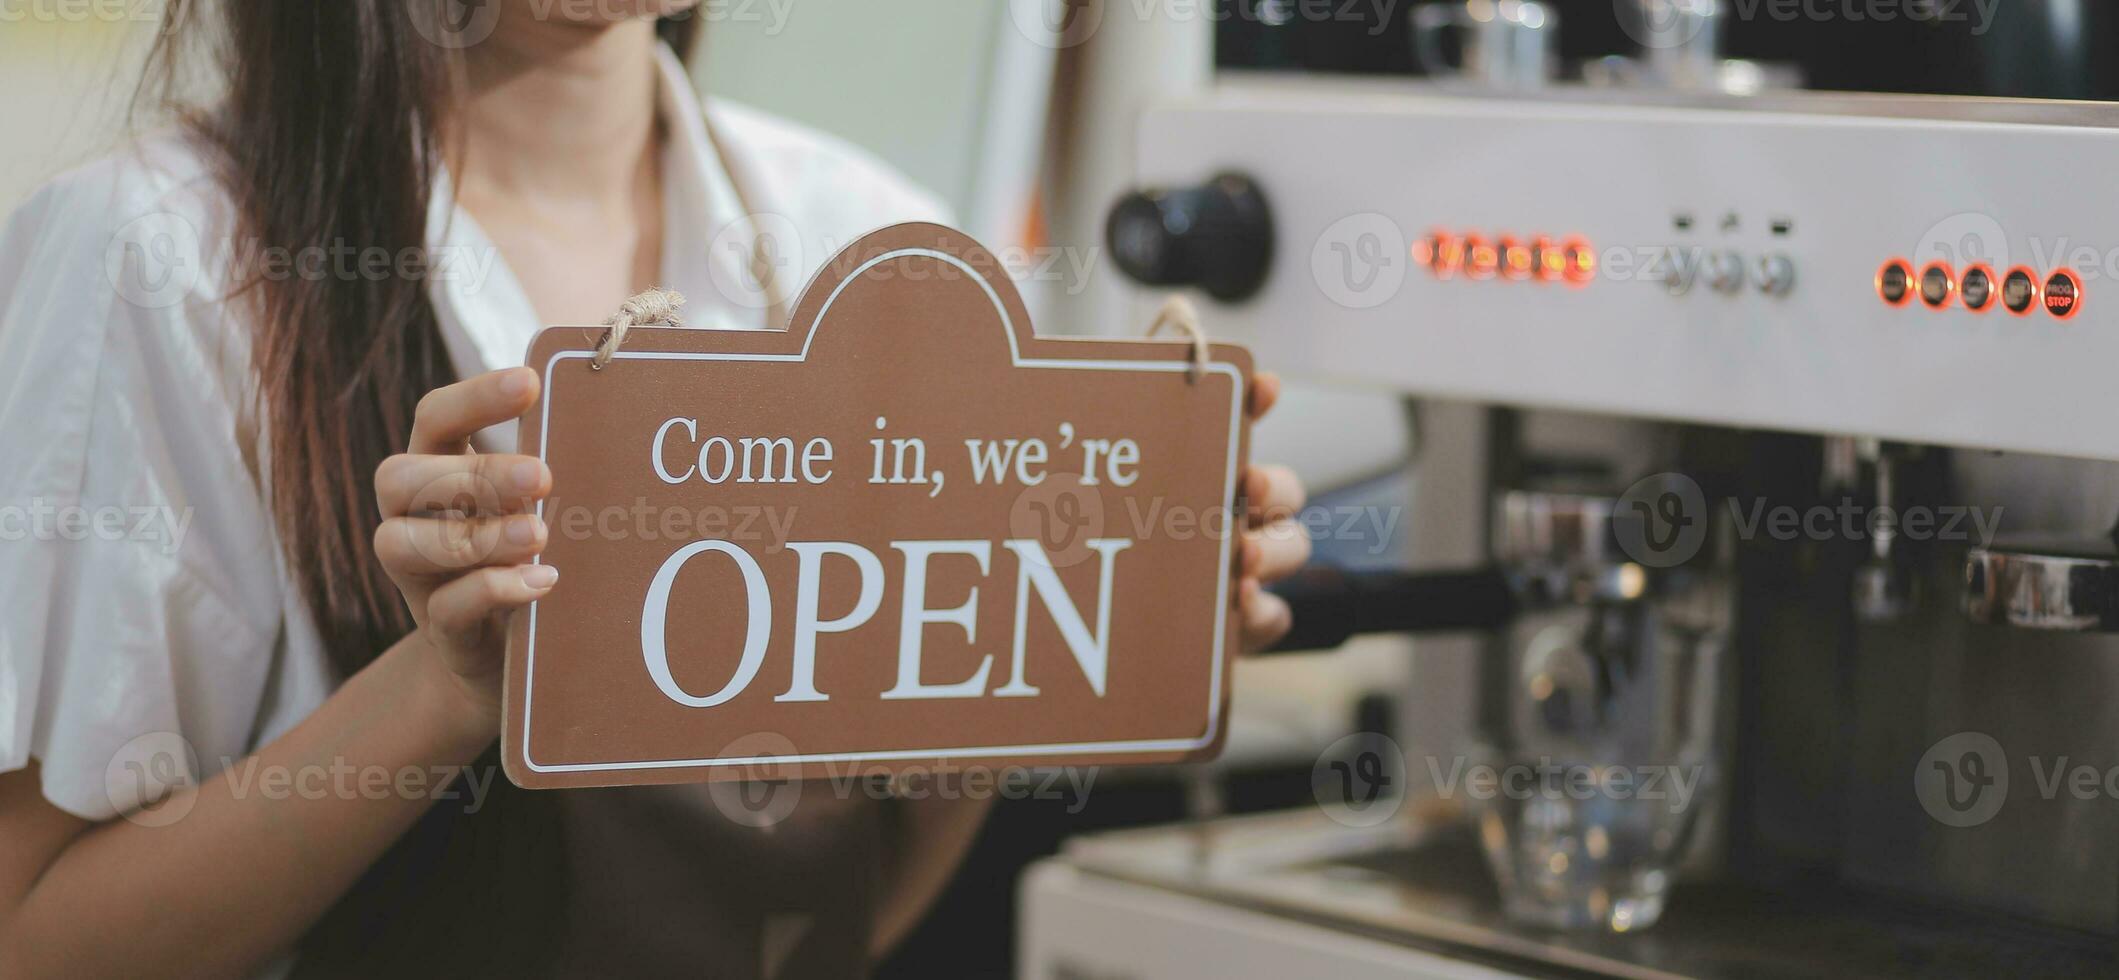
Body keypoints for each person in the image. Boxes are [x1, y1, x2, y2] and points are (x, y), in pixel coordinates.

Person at [0, 3, 1310, 977]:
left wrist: (1055, 636)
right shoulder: (156, 263)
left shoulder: (866, 241)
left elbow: (821, 917)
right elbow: (35, 934)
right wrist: (441, 694)